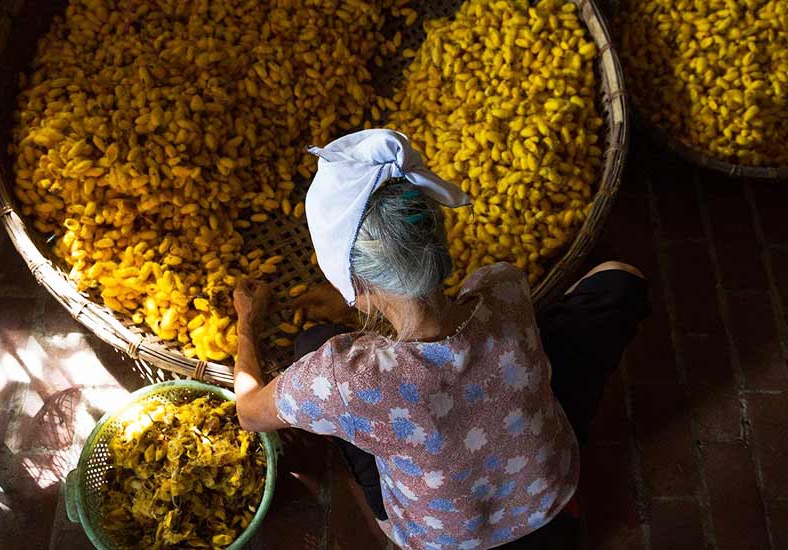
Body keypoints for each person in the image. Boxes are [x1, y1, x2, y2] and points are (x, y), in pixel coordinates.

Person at [232, 129, 650, 550]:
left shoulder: (345, 378)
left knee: (310, 344)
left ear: (357, 287)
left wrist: (246, 324)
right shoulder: (503, 286)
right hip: (548, 498)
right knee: (617, 280)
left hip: (443, 539)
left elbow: (249, 411)